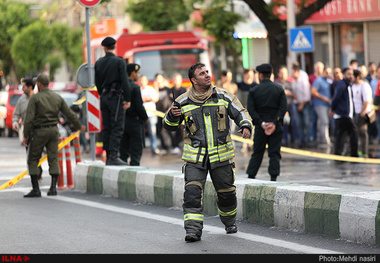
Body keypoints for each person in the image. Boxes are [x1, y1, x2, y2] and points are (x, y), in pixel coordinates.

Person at [163, 62, 252, 242]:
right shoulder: (181, 101)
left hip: (222, 156)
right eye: (202, 73)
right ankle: (193, 231)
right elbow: (168, 125)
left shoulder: (222, 95)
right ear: (194, 81)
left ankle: (229, 222)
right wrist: (173, 115)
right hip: (195, 158)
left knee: (226, 194)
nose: (207, 75)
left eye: (207, 72)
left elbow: (240, 111)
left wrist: (245, 125)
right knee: (192, 194)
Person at [23, 74, 81, 198]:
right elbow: (69, 113)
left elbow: (29, 119)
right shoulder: (57, 97)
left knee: (33, 159)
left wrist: (26, 135)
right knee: (53, 158)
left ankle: (36, 189)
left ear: (38, 84)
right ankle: (53, 187)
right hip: (54, 131)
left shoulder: (35, 98)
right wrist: (79, 126)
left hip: (39, 131)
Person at [246, 63, 287, 181]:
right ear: (270, 74)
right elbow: (283, 108)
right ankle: (273, 178)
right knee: (274, 153)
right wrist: (274, 122)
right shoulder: (279, 89)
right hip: (276, 126)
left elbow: (251, 110)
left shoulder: (254, 90)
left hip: (260, 127)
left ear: (260, 75)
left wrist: (262, 123)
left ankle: (251, 176)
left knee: (257, 152)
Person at [95, 36, 131, 165]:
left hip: (104, 97)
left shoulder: (98, 62)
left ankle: (108, 154)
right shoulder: (119, 62)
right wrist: (127, 99)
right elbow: (125, 82)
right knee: (117, 126)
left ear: (104, 48)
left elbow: (97, 82)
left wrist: (102, 94)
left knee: (107, 126)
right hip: (116, 98)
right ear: (114, 47)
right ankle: (114, 156)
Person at [120, 64, 148, 166]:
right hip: (135, 122)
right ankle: (134, 170)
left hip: (122, 122)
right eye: (138, 73)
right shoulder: (135, 87)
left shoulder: (121, 86)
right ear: (133, 73)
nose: (138, 75)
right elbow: (139, 106)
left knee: (123, 151)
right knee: (136, 150)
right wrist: (145, 117)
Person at [330, 68, 359, 158]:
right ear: (344, 75)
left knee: (341, 135)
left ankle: (338, 153)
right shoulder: (342, 85)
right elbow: (335, 98)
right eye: (348, 74)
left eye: (352, 74)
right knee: (353, 133)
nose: (351, 76)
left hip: (346, 114)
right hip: (342, 114)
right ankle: (354, 154)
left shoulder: (349, 85)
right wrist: (333, 109)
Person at [291, 63, 312, 147]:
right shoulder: (294, 81)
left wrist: (302, 104)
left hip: (304, 104)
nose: (291, 73)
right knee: (299, 123)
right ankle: (301, 141)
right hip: (297, 104)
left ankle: (308, 141)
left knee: (307, 123)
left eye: (292, 72)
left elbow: (307, 94)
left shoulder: (303, 80)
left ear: (296, 71)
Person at [275, 65, 297, 145]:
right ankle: (284, 140)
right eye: (281, 73)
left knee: (293, 123)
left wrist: (286, 92)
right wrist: (285, 92)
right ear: (278, 74)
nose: (283, 75)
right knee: (282, 124)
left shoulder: (291, 82)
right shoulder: (276, 83)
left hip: (290, 105)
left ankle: (294, 141)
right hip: (280, 106)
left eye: (284, 73)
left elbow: (295, 94)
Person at [352, 69, 372, 157]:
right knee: (355, 132)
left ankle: (364, 151)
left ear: (357, 77)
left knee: (362, 132)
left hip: (362, 113)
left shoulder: (364, 86)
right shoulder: (353, 86)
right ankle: (356, 150)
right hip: (354, 112)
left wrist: (363, 112)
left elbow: (366, 100)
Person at [311, 66, 332, 146]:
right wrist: (323, 98)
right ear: (323, 72)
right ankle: (325, 141)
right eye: (326, 72)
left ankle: (322, 138)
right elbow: (313, 91)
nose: (328, 74)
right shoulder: (318, 80)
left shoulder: (329, 81)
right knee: (324, 121)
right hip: (320, 104)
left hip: (328, 105)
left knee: (325, 122)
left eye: (330, 73)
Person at [139, 75, 159, 155]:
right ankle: (140, 149)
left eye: (144, 80)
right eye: (141, 80)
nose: (142, 82)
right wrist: (146, 99)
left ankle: (154, 148)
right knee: (139, 133)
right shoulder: (138, 90)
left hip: (151, 114)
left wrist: (144, 100)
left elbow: (155, 99)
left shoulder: (150, 89)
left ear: (146, 81)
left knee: (153, 132)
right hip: (141, 114)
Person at [155, 73, 173, 154]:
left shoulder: (168, 89)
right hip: (158, 113)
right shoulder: (155, 90)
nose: (158, 81)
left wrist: (169, 109)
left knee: (168, 130)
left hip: (167, 112)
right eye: (157, 79)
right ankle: (163, 147)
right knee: (160, 130)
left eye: (160, 79)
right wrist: (155, 88)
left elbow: (172, 100)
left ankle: (170, 146)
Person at [171, 73, 187, 155]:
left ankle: (183, 146)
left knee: (183, 131)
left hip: (182, 113)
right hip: (173, 114)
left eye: (177, 80)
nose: (176, 81)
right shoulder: (171, 90)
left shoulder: (184, 90)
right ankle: (175, 146)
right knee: (174, 131)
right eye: (175, 80)